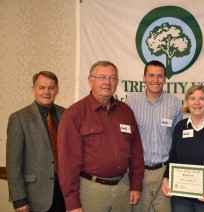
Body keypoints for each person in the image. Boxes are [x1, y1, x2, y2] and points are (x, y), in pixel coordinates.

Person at [57, 61, 144, 212]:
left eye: (112, 78)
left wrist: (136, 185)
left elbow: (136, 152)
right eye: (102, 77)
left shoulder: (126, 112)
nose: (107, 82)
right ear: (90, 80)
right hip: (91, 192)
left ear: (117, 82)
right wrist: (72, 202)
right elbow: (67, 161)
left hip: (122, 189)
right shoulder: (74, 114)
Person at [126, 60, 182, 212]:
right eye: (151, 75)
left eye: (160, 76)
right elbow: (126, 139)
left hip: (164, 173)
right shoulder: (131, 103)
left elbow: (178, 142)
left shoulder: (175, 104)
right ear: (144, 78)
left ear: (165, 79)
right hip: (138, 173)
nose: (155, 80)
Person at [6, 71, 66, 212]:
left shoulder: (66, 114)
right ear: (34, 90)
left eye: (51, 87)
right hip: (35, 196)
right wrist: (19, 199)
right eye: (41, 87)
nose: (46, 92)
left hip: (63, 193)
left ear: (56, 90)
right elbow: (13, 163)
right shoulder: (19, 118)